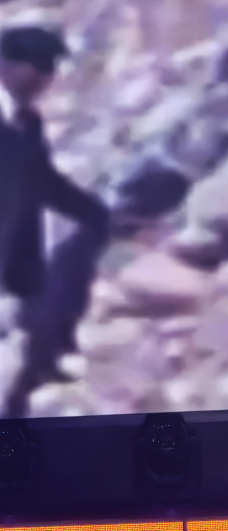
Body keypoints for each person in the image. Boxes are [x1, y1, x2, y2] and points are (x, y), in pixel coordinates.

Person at [0, 26, 110, 413]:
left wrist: (93, 213)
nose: (46, 79)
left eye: (50, 69)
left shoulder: (27, 123)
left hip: (17, 254)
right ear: (7, 65)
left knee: (24, 343)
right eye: (39, 66)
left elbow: (42, 180)